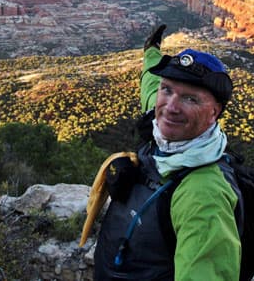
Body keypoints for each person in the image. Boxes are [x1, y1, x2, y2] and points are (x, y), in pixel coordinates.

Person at [93, 24, 240, 280]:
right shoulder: (161, 124)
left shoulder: (204, 196)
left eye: (190, 99)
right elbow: (150, 87)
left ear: (214, 112)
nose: (171, 107)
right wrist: (151, 51)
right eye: (168, 90)